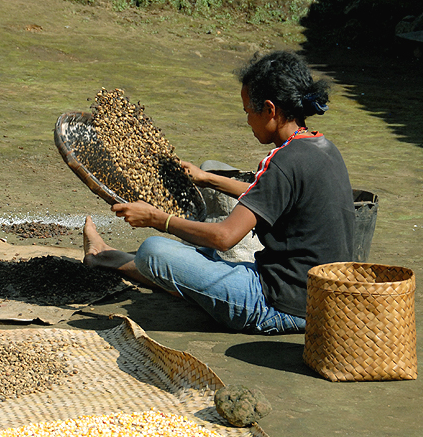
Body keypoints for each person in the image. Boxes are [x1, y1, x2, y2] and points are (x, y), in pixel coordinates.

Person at [82, 50, 355, 334]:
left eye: (249, 110)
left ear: (270, 110)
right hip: (317, 299)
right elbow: (268, 195)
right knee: (199, 230)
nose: (248, 120)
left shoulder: (285, 161)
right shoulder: (320, 147)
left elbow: (224, 238)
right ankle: (110, 257)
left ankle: (107, 257)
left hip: (279, 305)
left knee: (154, 250)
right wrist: (207, 179)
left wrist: (157, 219)